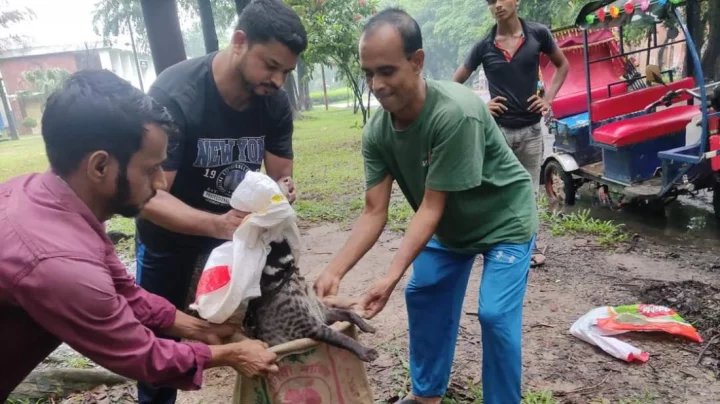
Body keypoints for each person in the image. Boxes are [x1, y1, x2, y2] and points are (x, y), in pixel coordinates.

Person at [0, 69, 279, 402]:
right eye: (150, 169)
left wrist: (201, 330)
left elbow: (127, 293)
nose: (161, 183)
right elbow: (141, 354)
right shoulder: (60, 265)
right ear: (100, 167)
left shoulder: (42, 196)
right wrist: (232, 355)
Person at [314, 8, 538, 404]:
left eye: (387, 70)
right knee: (424, 293)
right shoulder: (378, 131)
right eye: (368, 73)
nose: (376, 84)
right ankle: (426, 397)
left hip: (504, 219)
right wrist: (334, 270)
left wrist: (390, 275)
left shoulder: (455, 114)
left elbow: (430, 208)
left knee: (495, 316)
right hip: (452, 227)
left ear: (417, 62)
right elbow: (373, 211)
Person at [133, 0, 307, 402]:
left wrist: (283, 189)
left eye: (287, 71)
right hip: (170, 237)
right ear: (240, 42)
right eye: (270, 65)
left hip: (238, 237)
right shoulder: (177, 94)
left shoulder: (274, 103)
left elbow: (281, 173)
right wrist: (216, 224)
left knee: (269, 327)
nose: (278, 80)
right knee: (160, 342)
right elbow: (147, 196)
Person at [452, 0, 569, 267]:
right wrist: (481, 107)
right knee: (497, 191)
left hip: (531, 131)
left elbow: (562, 66)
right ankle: (496, 247)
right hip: (498, 134)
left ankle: (529, 246)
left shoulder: (538, 34)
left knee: (528, 191)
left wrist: (548, 99)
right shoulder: (484, 45)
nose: (496, 5)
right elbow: (453, 84)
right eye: (490, 1)